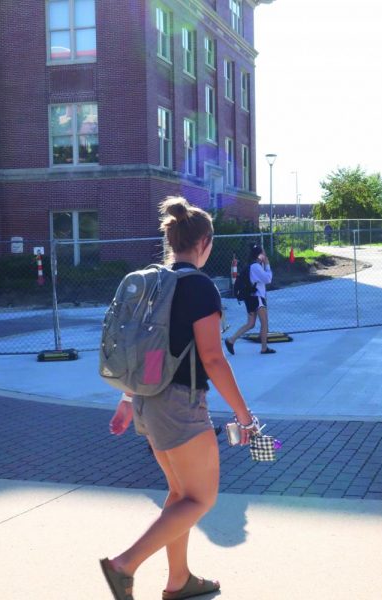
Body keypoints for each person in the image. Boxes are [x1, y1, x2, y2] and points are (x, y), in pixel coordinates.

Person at [101, 197, 260, 600]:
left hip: (149, 401)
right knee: (202, 498)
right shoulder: (199, 287)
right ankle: (125, 565)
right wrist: (244, 415)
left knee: (180, 495)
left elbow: (148, 350)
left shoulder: (155, 283)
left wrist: (126, 400)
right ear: (204, 242)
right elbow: (211, 357)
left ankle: (179, 580)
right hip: (180, 404)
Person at [223, 244, 275, 355]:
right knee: (264, 323)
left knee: (251, 324)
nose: (265, 255)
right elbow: (268, 279)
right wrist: (267, 265)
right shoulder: (256, 267)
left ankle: (231, 340)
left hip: (251, 297)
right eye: (263, 253)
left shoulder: (253, 266)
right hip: (257, 298)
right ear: (259, 255)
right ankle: (264, 348)